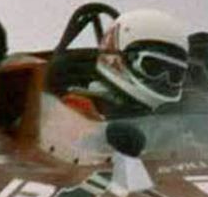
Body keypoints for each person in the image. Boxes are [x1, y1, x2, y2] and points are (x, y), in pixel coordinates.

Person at [62, 8, 192, 119]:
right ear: (120, 57)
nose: (164, 79)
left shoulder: (176, 119)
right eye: (153, 67)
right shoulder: (79, 109)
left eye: (175, 75)